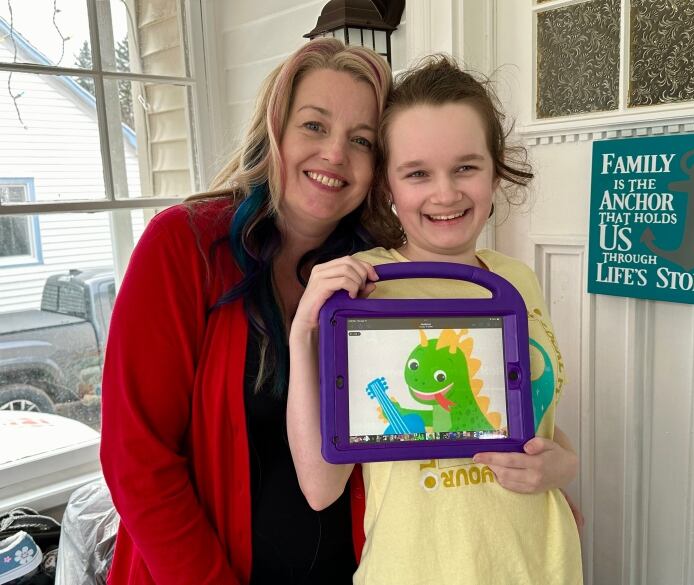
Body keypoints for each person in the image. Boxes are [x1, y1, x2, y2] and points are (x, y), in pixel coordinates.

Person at [99, 38, 399, 584]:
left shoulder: (380, 271)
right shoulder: (184, 245)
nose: (335, 153)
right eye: (314, 125)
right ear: (274, 130)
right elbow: (136, 461)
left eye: (362, 140)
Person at [287, 55, 583, 584]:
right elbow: (320, 487)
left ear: (495, 171)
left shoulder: (518, 280)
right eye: (418, 173)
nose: (445, 193)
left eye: (466, 167)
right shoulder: (363, 290)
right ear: (389, 188)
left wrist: (563, 468)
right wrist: (303, 334)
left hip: (542, 564)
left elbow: (545, 427)